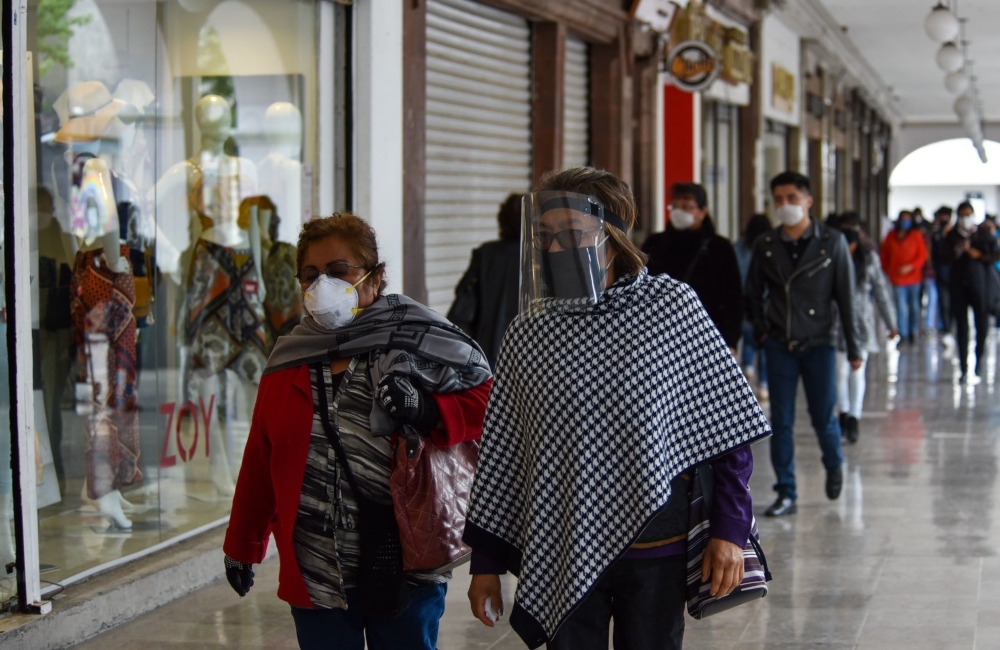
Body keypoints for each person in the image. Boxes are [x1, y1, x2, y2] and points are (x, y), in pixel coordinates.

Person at [463, 167, 770, 650]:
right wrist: (486, 563)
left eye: (571, 235)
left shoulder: (671, 309)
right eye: (545, 236)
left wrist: (730, 530)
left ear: (613, 235)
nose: (555, 249)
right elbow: (503, 452)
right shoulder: (531, 329)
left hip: (657, 545)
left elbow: (726, 429)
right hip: (563, 541)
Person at [222, 213, 493, 650]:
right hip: (316, 562)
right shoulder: (289, 359)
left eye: (337, 271)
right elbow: (261, 458)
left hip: (404, 555)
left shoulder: (419, 341)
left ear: (374, 278)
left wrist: (426, 408)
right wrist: (242, 543)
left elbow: (488, 405)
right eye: (310, 275)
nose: (321, 285)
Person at [745, 171, 861, 517]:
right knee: (779, 420)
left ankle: (834, 462)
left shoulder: (832, 242)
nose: (785, 206)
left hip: (819, 342)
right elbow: (752, 294)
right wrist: (762, 331)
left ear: (808, 201)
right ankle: (786, 491)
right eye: (778, 199)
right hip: (780, 344)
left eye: (792, 198)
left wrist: (853, 347)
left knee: (822, 415)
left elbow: (847, 297)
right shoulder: (766, 245)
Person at [642, 182, 743, 351]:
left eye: (687, 206)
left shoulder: (719, 247)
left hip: (707, 334)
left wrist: (730, 340)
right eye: (675, 205)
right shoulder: (655, 243)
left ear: (702, 212)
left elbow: (733, 297)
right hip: (661, 334)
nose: (679, 211)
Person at [833, 226, 898, 444]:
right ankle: (843, 413)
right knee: (840, 372)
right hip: (836, 324)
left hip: (861, 324)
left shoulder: (869, 260)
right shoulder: (832, 257)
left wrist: (891, 323)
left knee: (857, 371)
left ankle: (854, 417)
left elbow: (881, 291)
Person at [448, 193, 522, 368]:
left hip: (486, 350)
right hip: (526, 352)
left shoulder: (485, 254)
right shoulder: (539, 259)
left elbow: (463, 299)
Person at [941, 203, 1000, 383]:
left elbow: (995, 255)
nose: (966, 218)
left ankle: (978, 365)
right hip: (958, 286)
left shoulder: (982, 234)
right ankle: (964, 369)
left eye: (968, 215)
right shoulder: (952, 236)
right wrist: (958, 251)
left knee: (982, 326)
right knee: (962, 327)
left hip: (980, 287)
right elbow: (942, 257)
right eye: (962, 215)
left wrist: (978, 255)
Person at [734, 214, 773, 400]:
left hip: (742, 300)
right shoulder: (769, 247)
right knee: (764, 344)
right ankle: (764, 384)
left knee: (748, 337)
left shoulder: (739, 247)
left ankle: (747, 367)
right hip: (764, 302)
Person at [880, 211, 928, 346]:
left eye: (908, 220)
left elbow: (922, 255)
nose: (905, 222)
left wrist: (911, 267)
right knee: (900, 307)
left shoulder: (916, 236)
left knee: (914, 306)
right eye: (903, 219)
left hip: (914, 278)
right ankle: (903, 333)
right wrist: (888, 269)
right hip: (897, 278)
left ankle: (913, 331)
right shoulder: (891, 236)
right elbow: (884, 254)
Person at [930, 206, 955, 339]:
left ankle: (951, 325)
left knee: (953, 302)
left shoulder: (955, 233)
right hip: (941, 272)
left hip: (955, 274)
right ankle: (946, 327)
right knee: (943, 301)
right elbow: (933, 253)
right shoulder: (937, 234)